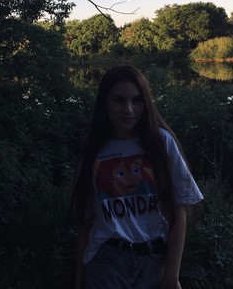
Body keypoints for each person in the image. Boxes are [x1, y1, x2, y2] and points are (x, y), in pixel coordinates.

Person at [72, 65, 203, 289]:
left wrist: (172, 276)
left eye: (137, 100)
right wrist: (78, 281)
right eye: (118, 100)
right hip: (106, 264)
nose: (128, 109)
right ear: (104, 103)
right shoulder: (93, 153)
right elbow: (86, 225)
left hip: (154, 262)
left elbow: (179, 211)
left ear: (146, 103)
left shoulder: (161, 143)